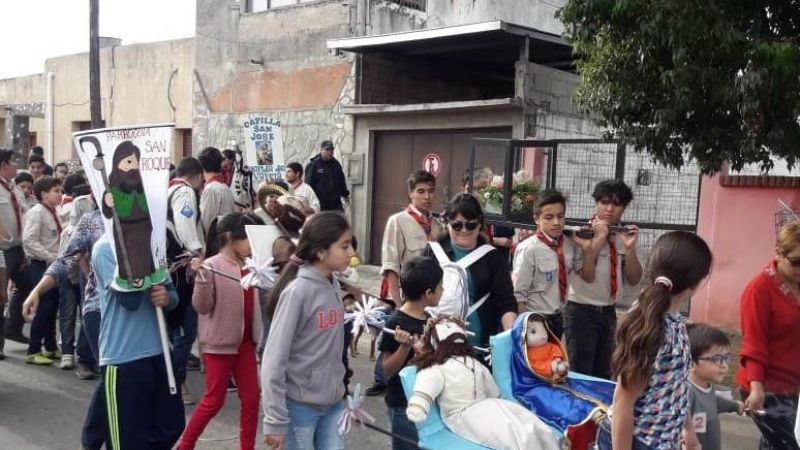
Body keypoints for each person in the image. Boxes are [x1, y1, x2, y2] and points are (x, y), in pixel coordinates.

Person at [596, 231, 710, 450]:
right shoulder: (653, 325)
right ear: (695, 284)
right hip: (638, 441)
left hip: (661, 439)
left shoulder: (672, 320)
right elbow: (623, 403)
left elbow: (676, 386)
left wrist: (688, 430)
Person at [262, 212, 354, 450]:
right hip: (299, 408)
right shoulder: (297, 293)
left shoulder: (332, 283)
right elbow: (273, 360)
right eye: (344, 246)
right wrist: (275, 420)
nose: (351, 253)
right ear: (321, 251)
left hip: (333, 403)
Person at [89, 234, 185, 449]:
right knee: (128, 441)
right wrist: (134, 251)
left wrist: (167, 298)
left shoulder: (153, 244)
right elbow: (129, 300)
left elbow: (171, 292)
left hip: (159, 352)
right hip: (123, 358)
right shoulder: (104, 248)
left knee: (171, 425)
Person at [178, 213, 263, 450]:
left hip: (246, 344)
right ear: (229, 237)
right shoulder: (212, 265)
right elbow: (201, 306)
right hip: (219, 344)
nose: (251, 245)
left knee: (251, 398)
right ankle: (186, 444)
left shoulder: (252, 266)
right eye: (247, 238)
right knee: (213, 401)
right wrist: (201, 278)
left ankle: (247, 447)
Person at [565, 179, 642, 379]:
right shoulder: (581, 234)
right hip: (580, 310)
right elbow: (586, 276)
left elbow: (634, 279)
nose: (609, 209)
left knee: (604, 373)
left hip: (608, 311)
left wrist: (630, 249)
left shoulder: (623, 236)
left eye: (616, 204)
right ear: (596, 203)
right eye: (604, 202)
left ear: (623, 208)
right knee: (581, 373)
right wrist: (599, 238)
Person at [422, 193, 517, 349]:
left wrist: (512, 338)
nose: (464, 230)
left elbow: (505, 302)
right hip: (436, 343)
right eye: (457, 225)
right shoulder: (432, 252)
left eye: (471, 225)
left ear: (480, 224)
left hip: (478, 345)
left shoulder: (492, 257)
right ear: (447, 223)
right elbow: (416, 295)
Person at [736, 221, 800, 450]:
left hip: (793, 384)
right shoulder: (759, 290)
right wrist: (756, 387)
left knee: (775, 445)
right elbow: (753, 343)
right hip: (765, 386)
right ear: (778, 254)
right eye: (796, 262)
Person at [380, 256, 443, 450]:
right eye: (441, 287)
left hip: (425, 401)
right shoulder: (396, 323)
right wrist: (404, 347)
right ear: (428, 293)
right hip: (403, 405)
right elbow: (387, 370)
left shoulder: (429, 319)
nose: (443, 291)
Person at [167, 156, 207, 405]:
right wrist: (197, 251)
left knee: (174, 326)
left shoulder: (168, 190)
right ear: (199, 176)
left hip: (170, 268)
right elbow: (185, 224)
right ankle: (176, 380)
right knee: (185, 327)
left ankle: (171, 379)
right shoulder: (184, 192)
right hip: (182, 270)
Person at [513, 189, 574, 338]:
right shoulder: (529, 249)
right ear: (536, 219)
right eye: (549, 217)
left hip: (561, 318)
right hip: (537, 319)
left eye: (560, 216)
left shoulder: (569, 245)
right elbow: (518, 294)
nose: (556, 222)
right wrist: (526, 329)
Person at [22, 176, 64, 365]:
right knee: (43, 306)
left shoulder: (55, 212)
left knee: (52, 306)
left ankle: (51, 346)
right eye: (56, 191)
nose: (60, 194)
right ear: (44, 194)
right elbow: (29, 240)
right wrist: (49, 256)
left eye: (61, 191)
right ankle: (34, 349)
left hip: (53, 264)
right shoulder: (37, 212)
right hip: (42, 264)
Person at [687, 323, 744, 450]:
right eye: (716, 359)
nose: (724, 365)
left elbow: (713, 401)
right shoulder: (687, 393)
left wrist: (735, 406)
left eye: (726, 358)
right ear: (691, 363)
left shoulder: (707, 387)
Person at [0, 149, 32, 345]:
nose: (16, 165)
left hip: (19, 248)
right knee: (0, 294)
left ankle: (13, 328)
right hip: (1, 249)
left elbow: (24, 212)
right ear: (4, 164)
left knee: (28, 284)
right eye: (13, 162)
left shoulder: (14, 188)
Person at [198, 147, 236, 233]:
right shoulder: (225, 187)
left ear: (202, 166)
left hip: (215, 241)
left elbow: (207, 223)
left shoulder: (211, 189)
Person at [304, 140, 349, 211]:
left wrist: (345, 194)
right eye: (327, 149)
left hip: (335, 203)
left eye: (331, 150)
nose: (330, 152)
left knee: (338, 221)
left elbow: (341, 180)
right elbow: (308, 185)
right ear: (321, 150)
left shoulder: (336, 164)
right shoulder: (314, 165)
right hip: (320, 204)